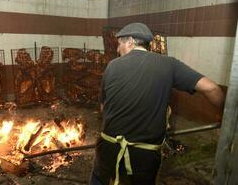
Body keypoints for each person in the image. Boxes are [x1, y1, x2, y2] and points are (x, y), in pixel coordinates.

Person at [89, 23, 225, 185]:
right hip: (144, 154)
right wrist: (225, 118)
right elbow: (212, 88)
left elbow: (103, 109)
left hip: (108, 148)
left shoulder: (112, 66)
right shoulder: (169, 64)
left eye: (119, 44)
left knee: (99, 179)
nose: (118, 50)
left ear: (131, 41)